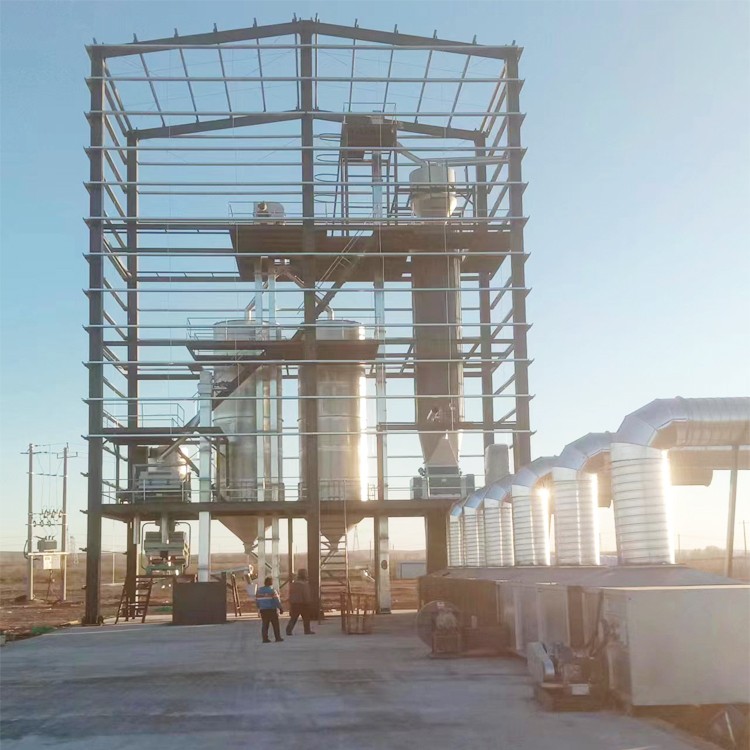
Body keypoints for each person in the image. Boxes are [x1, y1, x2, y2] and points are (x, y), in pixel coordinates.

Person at [286, 569, 315, 636]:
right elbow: (306, 594)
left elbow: (290, 594)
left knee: (293, 618)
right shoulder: (304, 585)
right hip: (303, 603)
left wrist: (290, 602)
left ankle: (288, 630)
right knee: (306, 618)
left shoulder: (293, 584)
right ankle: (307, 630)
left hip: (294, 603)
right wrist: (308, 601)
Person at [255, 576, 284, 643]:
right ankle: (277, 637)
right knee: (275, 625)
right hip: (272, 610)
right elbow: (276, 600)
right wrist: (280, 608)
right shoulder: (272, 590)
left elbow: (257, 601)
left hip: (263, 610)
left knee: (265, 624)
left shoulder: (259, 591)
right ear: (271, 583)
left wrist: (259, 607)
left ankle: (265, 639)